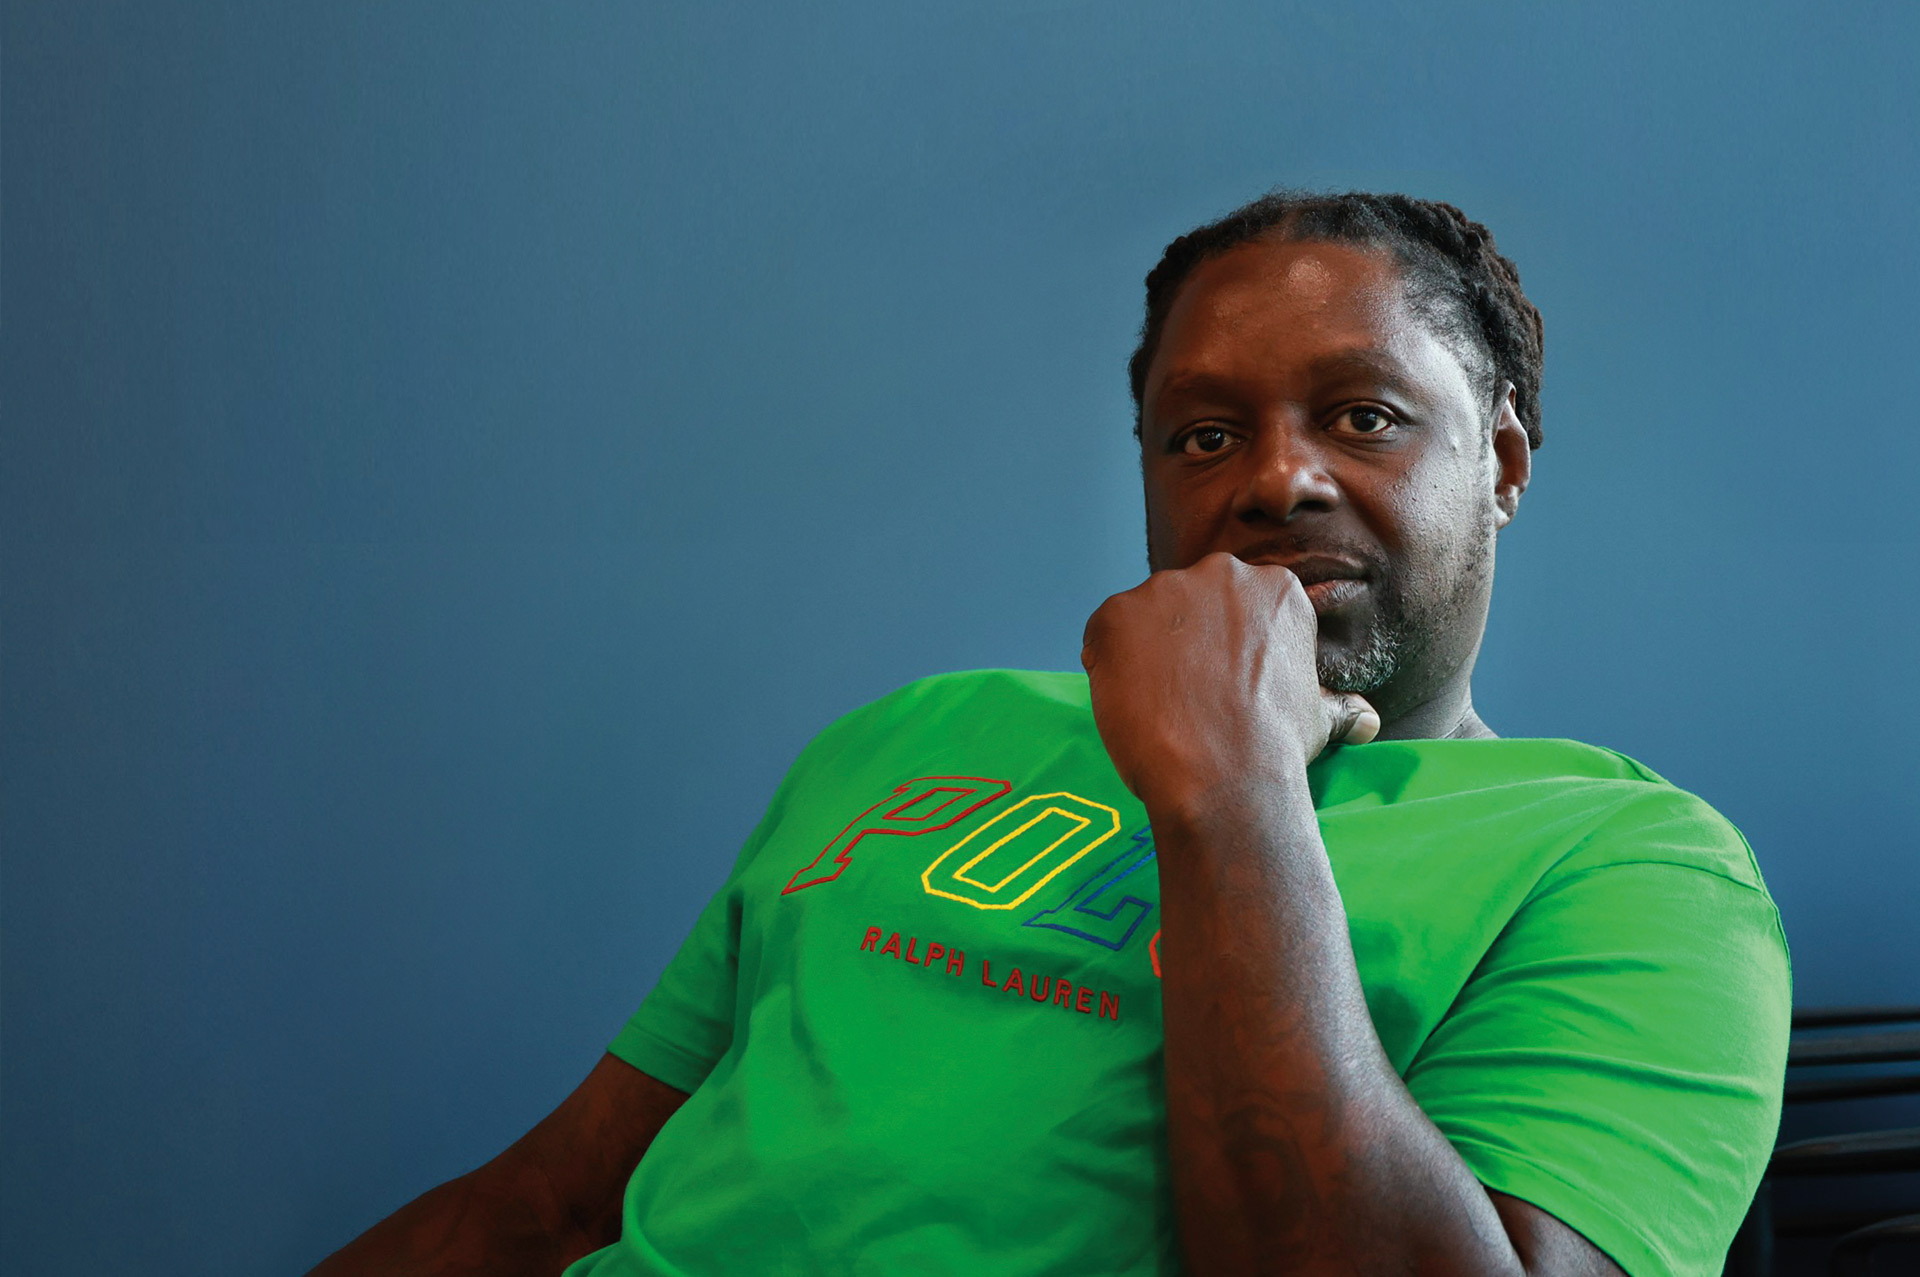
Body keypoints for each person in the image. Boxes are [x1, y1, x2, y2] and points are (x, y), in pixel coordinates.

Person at [309, 191, 1790, 1277]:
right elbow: (553, 1202)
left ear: (1505, 461)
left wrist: (1231, 787)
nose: (1277, 480)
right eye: (1205, 434)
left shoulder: (1635, 869)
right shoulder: (914, 734)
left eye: (1363, 415)